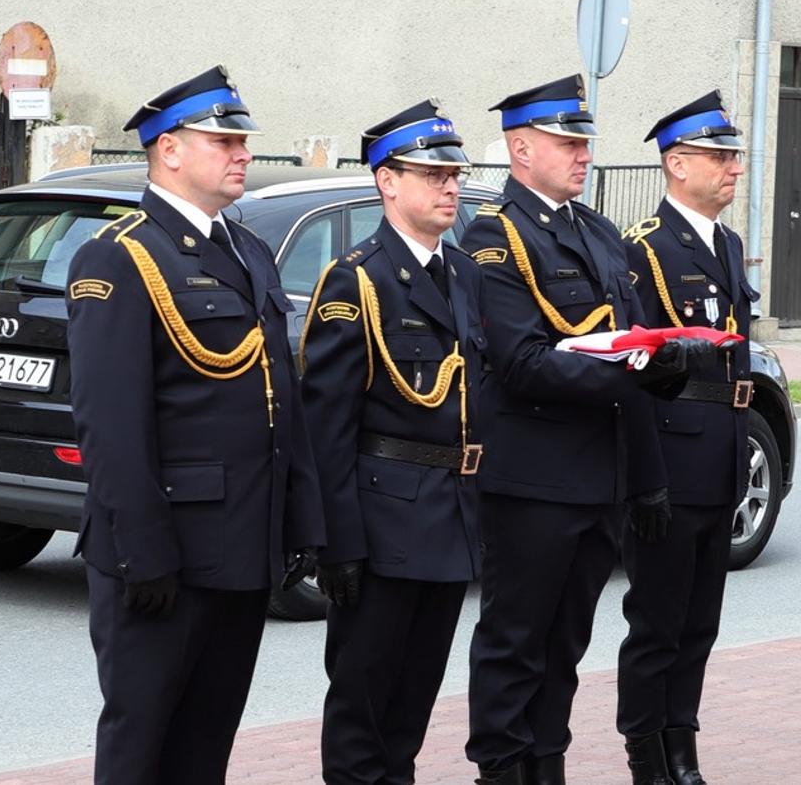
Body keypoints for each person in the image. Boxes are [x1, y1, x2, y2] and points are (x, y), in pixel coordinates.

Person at [67, 65, 324, 784]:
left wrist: (300, 523)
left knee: (205, 747)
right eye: (224, 141)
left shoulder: (246, 250)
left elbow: (282, 397)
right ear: (170, 149)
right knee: (141, 745)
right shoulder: (119, 256)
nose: (243, 152)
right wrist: (143, 551)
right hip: (166, 551)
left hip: (242, 546)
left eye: (242, 140)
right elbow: (110, 425)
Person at [462, 75, 698, 785]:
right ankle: (502, 771)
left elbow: (629, 341)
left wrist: (665, 369)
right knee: (514, 644)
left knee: (564, 648)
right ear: (520, 148)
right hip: (532, 481)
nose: (583, 154)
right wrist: (635, 375)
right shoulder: (494, 236)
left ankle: (547, 767)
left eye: (585, 142)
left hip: (600, 480)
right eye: (567, 142)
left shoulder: (596, 231)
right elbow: (521, 362)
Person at [303, 100, 485, 785]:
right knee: (364, 712)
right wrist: (337, 544)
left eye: (454, 175)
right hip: (382, 525)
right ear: (387, 181)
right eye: (433, 175)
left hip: (448, 519)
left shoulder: (463, 273)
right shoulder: (357, 279)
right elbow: (327, 427)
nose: (450, 187)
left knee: (409, 712)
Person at [616, 90, 757, 785]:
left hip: (721, 458)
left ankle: (682, 751)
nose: (735, 167)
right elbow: (633, 373)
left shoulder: (727, 244)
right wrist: (645, 477)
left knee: (700, 624)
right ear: (677, 164)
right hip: (671, 457)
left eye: (734, 155)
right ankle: (647, 759)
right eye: (719, 156)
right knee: (657, 624)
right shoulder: (644, 248)